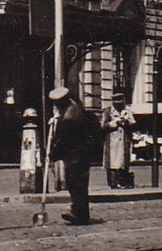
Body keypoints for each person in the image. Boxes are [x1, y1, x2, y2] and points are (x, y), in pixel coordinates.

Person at [48, 86, 103, 225]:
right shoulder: (75, 108)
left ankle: (79, 213)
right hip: (83, 153)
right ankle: (80, 213)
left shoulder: (69, 118)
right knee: (79, 184)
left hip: (75, 155)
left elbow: (63, 140)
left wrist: (52, 154)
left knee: (75, 183)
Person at [102, 93, 137, 188]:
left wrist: (126, 122)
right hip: (112, 140)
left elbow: (134, 124)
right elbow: (103, 125)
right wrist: (115, 123)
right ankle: (113, 182)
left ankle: (123, 181)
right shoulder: (108, 111)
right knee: (112, 161)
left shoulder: (127, 111)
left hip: (124, 139)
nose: (119, 105)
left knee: (124, 161)